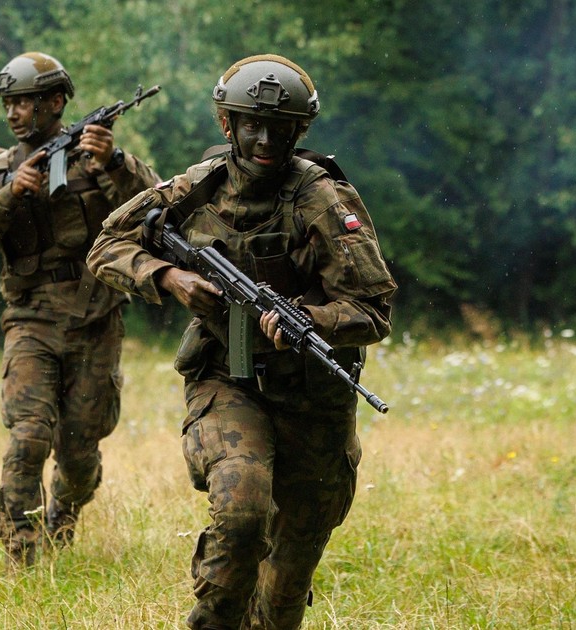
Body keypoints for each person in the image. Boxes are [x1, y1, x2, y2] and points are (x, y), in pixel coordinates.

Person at [87, 55, 396, 628]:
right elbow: (107, 244)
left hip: (313, 400)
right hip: (227, 380)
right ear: (225, 124)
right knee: (242, 510)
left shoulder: (324, 201)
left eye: (280, 128)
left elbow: (373, 311)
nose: (264, 139)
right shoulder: (194, 188)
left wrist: (310, 319)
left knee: (282, 596)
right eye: (249, 124)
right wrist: (169, 276)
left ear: (300, 130)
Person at [0, 51, 161, 568]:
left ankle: (64, 514)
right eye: (9, 103)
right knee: (29, 435)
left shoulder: (96, 157)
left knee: (80, 448)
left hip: (96, 317)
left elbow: (159, 209)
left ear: (56, 102)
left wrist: (112, 162)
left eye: (25, 102)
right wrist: (8, 197)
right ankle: (22, 550)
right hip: (31, 318)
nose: (14, 113)